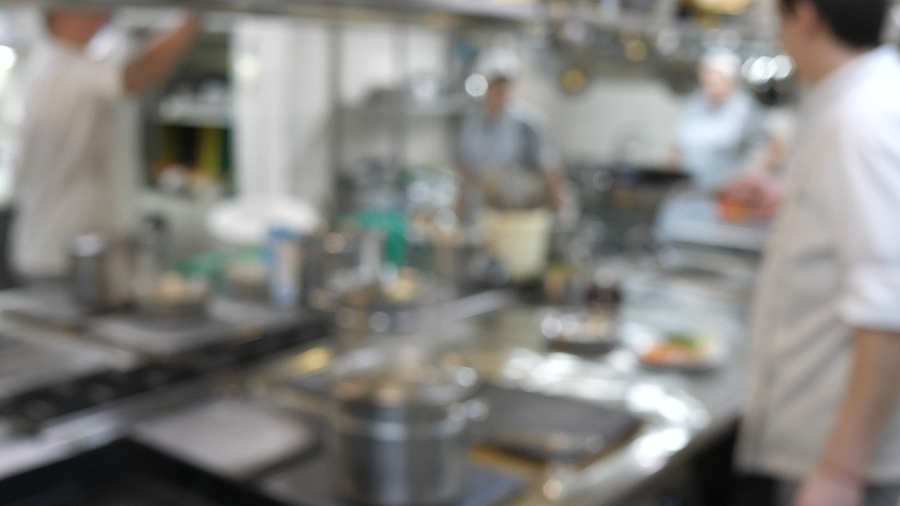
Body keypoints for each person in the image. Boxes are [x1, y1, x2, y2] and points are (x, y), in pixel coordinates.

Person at [723, 0, 900, 505]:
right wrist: (791, 200)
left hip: (848, 469)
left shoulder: (862, 120)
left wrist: (839, 472)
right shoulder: (860, 99)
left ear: (804, 16)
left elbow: (888, 307)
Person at [10, 8, 199, 279]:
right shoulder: (61, 66)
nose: (103, 15)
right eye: (90, 8)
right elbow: (134, 76)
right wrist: (194, 15)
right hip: (58, 255)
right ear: (61, 16)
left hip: (72, 250)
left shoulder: (59, 63)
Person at [456, 57, 565, 223]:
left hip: (522, 213)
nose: (501, 90)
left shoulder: (528, 123)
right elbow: (465, 169)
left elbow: (550, 169)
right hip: (485, 213)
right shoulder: (472, 126)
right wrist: (460, 204)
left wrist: (560, 210)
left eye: (505, 84)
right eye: (495, 84)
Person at [669, 49, 775, 192]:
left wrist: (750, 178)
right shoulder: (695, 104)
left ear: (729, 79)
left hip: (727, 195)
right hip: (688, 191)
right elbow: (677, 146)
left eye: (714, 75)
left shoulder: (744, 107)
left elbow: (773, 145)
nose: (709, 80)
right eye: (705, 74)